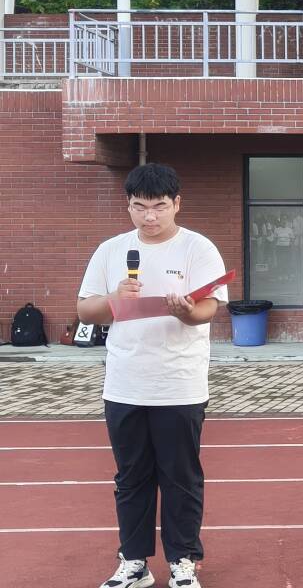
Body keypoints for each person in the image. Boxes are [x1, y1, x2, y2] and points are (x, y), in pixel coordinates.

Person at [77, 163, 229, 588]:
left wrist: (186, 312)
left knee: (180, 477)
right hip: (125, 382)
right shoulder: (111, 250)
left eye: (159, 206)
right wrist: (113, 299)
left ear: (177, 204)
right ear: (128, 205)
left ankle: (183, 561)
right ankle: (134, 562)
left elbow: (209, 308)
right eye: (139, 207)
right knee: (131, 477)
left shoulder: (198, 248)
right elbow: (84, 310)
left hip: (179, 383)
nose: (149, 216)